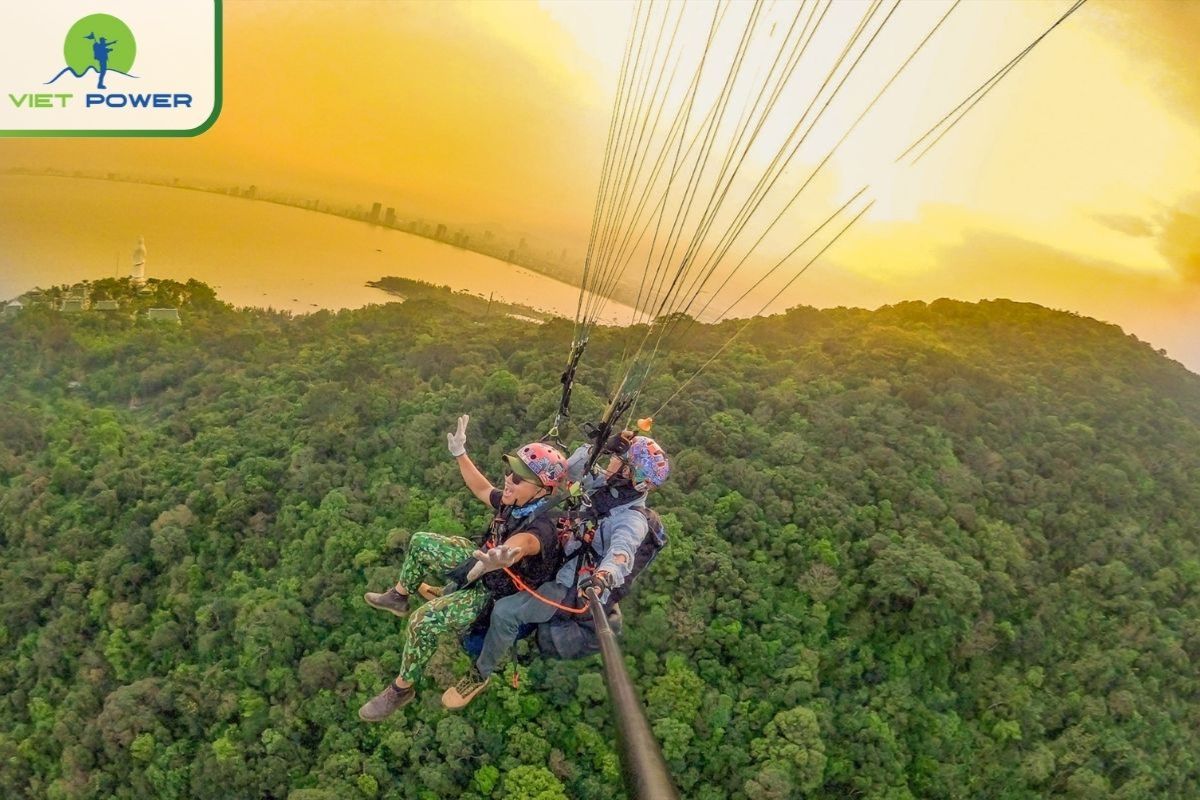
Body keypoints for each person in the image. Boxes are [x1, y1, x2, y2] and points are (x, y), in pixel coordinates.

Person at [358, 415, 567, 722]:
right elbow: (482, 489)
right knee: (420, 542)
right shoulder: (515, 501)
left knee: (422, 621)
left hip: (491, 590)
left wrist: (506, 555)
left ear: (542, 490)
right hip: (479, 561)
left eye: (519, 478)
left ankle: (401, 689)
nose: (509, 480)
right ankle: (398, 597)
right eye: (510, 472)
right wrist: (460, 454)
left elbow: (526, 543)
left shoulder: (543, 526)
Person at [441, 431, 670, 710]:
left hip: (568, 583)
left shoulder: (630, 520)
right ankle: (448, 594)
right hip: (556, 554)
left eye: (617, 460)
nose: (609, 463)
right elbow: (569, 468)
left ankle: (480, 672)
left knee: (505, 612)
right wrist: (601, 445)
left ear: (628, 475)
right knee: (492, 563)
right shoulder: (604, 487)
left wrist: (603, 577)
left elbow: (622, 552)